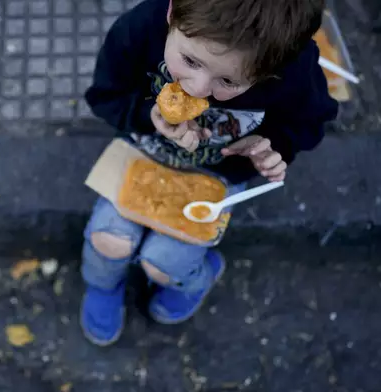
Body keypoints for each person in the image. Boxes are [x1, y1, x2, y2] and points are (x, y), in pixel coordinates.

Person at [81, 0, 338, 346]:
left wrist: (273, 145)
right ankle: (103, 285)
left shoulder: (292, 66)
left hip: (218, 171)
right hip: (143, 150)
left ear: (270, 70)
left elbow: (310, 121)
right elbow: (104, 96)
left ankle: (197, 278)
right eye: (189, 61)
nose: (198, 89)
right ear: (172, 14)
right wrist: (149, 117)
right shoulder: (141, 27)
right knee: (107, 240)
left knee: (163, 265)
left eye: (229, 81)